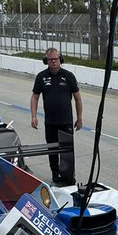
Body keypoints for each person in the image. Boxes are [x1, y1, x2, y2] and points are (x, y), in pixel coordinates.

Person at [30, 48, 82, 186]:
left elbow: (77, 98)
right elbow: (35, 97)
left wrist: (80, 118)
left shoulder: (68, 76)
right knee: (52, 150)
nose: (53, 62)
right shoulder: (41, 77)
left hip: (66, 122)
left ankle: (68, 176)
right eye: (50, 59)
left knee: (67, 151)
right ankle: (55, 174)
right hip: (50, 122)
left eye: (56, 59)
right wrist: (33, 116)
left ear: (60, 59)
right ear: (46, 61)